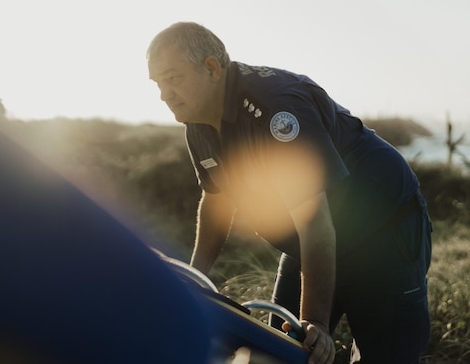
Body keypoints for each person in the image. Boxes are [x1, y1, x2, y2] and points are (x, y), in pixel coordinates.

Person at [146, 22, 433, 364]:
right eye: (158, 83)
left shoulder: (276, 109)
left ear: (211, 68)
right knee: (274, 353)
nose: (165, 94)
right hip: (307, 243)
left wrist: (316, 322)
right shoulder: (198, 122)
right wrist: (195, 280)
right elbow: (217, 200)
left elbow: (316, 222)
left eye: (173, 78)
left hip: (383, 236)